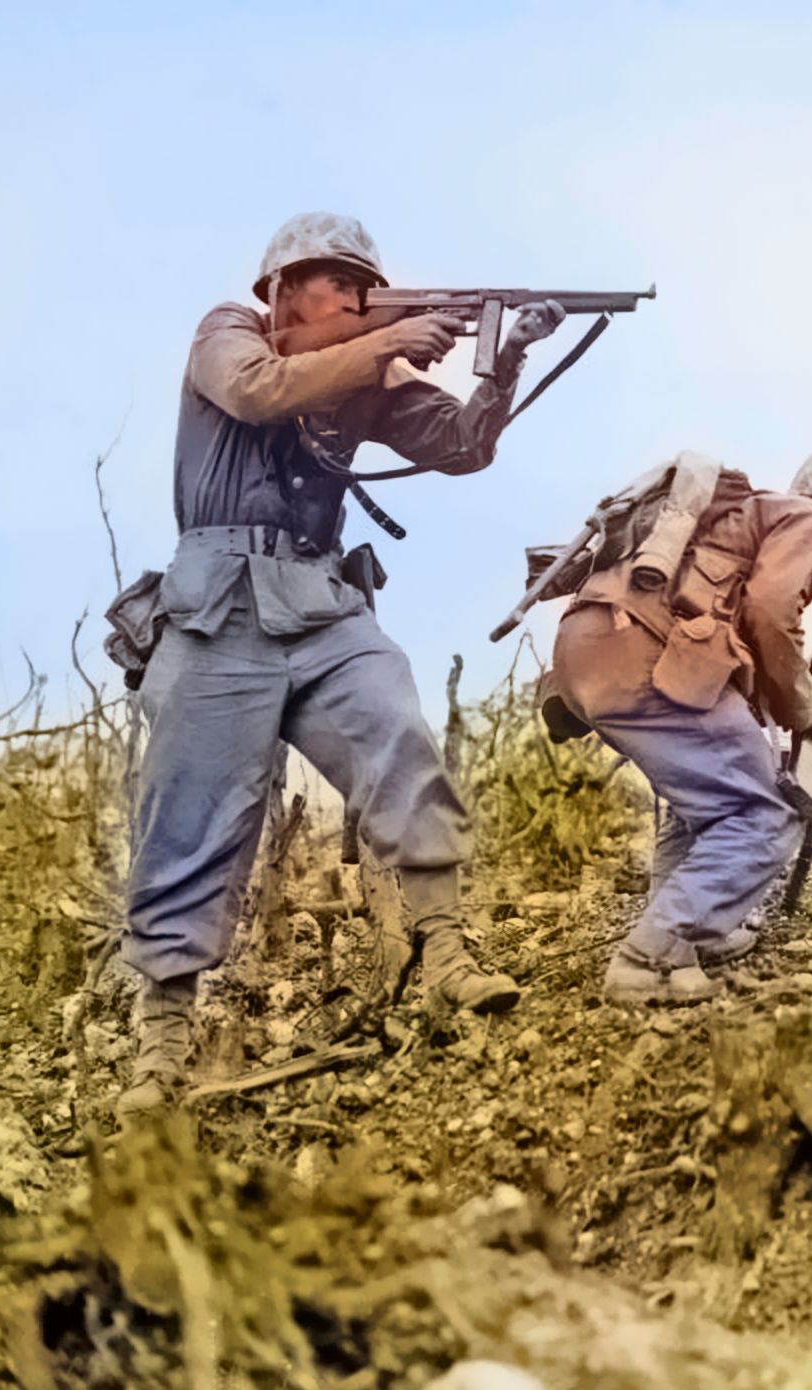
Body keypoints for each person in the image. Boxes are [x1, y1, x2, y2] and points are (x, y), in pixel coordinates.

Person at [114, 212, 565, 1121]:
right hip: (217, 614)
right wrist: (389, 341)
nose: (359, 298)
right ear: (282, 291)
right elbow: (254, 390)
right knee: (188, 815)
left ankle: (445, 955)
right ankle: (160, 1050)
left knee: (399, 738)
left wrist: (504, 356)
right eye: (338, 283)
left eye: (367, 283)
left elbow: (460, 446)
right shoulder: (229, 334)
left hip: (321, 605)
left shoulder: (368, 370)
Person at [549, 444, 812, 1005]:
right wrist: (803, 705)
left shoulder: (748, 524)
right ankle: (652, 957)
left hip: (588, 650)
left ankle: (682, 944)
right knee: (765, 811)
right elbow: (769, 610)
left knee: (708, 807)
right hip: (641, 650)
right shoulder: (808, 519)